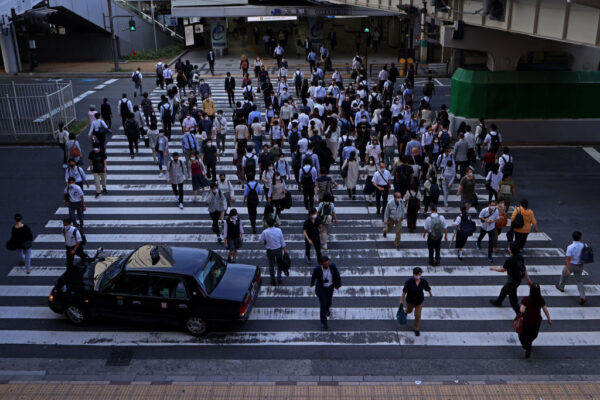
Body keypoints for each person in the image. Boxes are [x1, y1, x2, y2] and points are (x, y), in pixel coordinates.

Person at [490, 243, 531, 314]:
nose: (508, 249)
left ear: (511, 251)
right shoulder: (520, 257)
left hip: (512, 281)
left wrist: (494, 269)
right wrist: (528, 280)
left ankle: (519, 314)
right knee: (504, 290)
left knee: (513, 299)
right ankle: (498, 302)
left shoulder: (509, 260)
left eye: (509, 248)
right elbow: (524, 269)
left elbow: (503, 270)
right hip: (518, 280)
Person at [518, 283, 552, 358]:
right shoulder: (541, 299)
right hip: (537, 320)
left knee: (523, 334)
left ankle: (527, 347)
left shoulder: (526, 299)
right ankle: (528, 344)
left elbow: (522, 310)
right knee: (533, 334)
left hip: (527, 320)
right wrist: (549, 319)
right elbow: (545, 310)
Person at [309, 256, 341, 331]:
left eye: (328, 262)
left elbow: (337, 275)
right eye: (325, 263)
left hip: (330, 288)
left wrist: (338, 284)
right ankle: (324, 323)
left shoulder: (332, 266)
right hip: (321, 289)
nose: (327, 264)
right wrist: (312, 283)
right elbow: (313, 277)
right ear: (321, 263)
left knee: (329, 302)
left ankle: (327, 309)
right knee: (322, 305)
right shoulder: (317, 269)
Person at [556, 231, 588, 305]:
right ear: (580, 237)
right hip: (580, 265)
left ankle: (561, 287)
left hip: (571, 265)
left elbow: (568, 259)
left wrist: (567, 269)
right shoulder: (585, 245)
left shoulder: (570, 247)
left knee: (564, 274)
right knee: (579, 281)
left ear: (572, 237)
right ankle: (582, 297)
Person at [399, 267, 432, 336]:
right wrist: (401, 300)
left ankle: (416, 328)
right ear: (414, 274)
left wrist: (430, 293)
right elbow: (404, 292)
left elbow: (427, 287)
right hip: (410, 301)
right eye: (417, 274)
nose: (418, 276)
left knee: (418, 315)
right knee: (409, 310)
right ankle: (405, 312)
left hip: (419, 301)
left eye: (420, 274)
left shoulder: (423, 281)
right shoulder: (409, 282)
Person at [259, 216, 289, 286]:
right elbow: (282, 241)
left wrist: (266, 241)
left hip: (270, 250)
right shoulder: (279, 230)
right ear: (274, 223)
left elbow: (260, 240)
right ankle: (279, 278)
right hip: (278, 249)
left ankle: (273, 280)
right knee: (279, 264)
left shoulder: (265, 232)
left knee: (271, 265)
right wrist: (285, 250)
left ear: (267, 224)